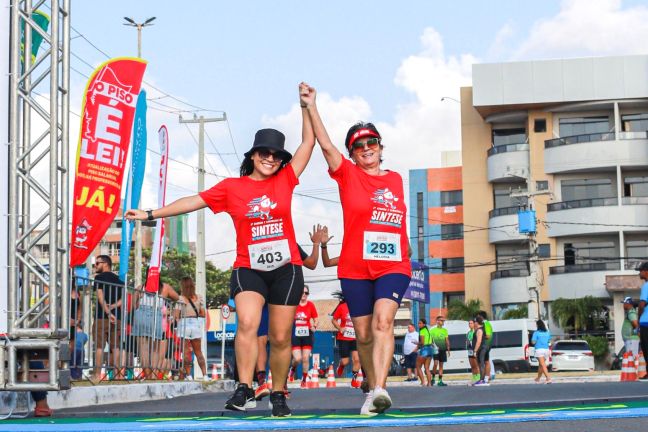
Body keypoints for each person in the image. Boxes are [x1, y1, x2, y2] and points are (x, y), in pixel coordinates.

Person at [126, 83, 316, 418]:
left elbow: (308, 143)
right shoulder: (232, 188)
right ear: (253, 156)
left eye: (275, 155)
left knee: (281, 336)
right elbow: (192, 201)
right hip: (248, 267)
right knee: (246, 322)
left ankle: (278, 392)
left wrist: (305, 106)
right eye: (264, 153)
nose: (270, 159)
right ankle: (243, 387)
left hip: (287, 267)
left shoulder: (286, 180)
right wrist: (150, 214)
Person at [304, 85, 412, 416]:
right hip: (354, 268)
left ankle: (379, 388)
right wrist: (311, 106)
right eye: (359, 145)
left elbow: (398, 226)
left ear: (380, 147)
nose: (366, 148)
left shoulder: (395, 179)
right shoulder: (348, 175)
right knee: (363, 334)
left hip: (393, 266)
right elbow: (325, 146)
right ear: (352, 153)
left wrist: (406, 255)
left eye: (371, 143)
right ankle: (371, 385)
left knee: (383, 321)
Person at [255, 231, 321, 401]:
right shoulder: (255, 239)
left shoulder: (290, 243)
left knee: (281, 340)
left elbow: (312, 264)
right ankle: (261, 381)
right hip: (262, 297)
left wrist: (316, 243)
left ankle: (281, 385)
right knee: (260, 339)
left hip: (282, 299)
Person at [90, 255, 124, 384]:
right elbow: (123, 300)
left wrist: (108, 312)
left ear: (105, 264)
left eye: (97, 263)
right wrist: (114, 307)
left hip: (101, 317)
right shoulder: (119, 280)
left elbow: (100, 297)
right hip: (118, 318)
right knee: (115, 347)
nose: (95, 266)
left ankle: (97, 375)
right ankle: (118, 375)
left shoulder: (99, 278)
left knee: (99, 347)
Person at [176, 276, 208, 381]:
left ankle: (189, 375)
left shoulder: (180, 299)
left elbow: (176, 315)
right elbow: (203, 314)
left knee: (185, 352)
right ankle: (205, 375)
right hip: (195, 323)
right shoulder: (199, 298)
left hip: (184, 323)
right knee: (198, 352)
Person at [289, 285, 319, 388]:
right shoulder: (293, 305)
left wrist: (314, 326)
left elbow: (316, 319)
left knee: (305, 358)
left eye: (306, 293)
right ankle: (292, 369)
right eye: (302, 292)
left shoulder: (310, 305)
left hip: (307, 334)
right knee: (297, 359)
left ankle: (304, 379)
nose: (304, 295)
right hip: (295, 334)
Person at [331, 291, 361, 387]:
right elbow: (333, 320)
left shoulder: (359, 307)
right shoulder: (342, 307)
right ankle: (341, 365)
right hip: (343, 337)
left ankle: (354, 380)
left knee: (357, 360)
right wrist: (340, 328)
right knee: (345, 361)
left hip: (355, 337)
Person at [430, 316, 450, 387]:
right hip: (435, 350)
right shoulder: (432, 330)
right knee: (435, 364)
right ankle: (432, 378)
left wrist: (448, 348)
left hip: (443, 349)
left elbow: (447, 340)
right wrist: (434, 346)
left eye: (443, 321)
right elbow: (430, 340)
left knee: (441, 365)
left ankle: (440, 381)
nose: (443, 322)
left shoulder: (445, 330)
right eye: (441, 320)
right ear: (437, 321)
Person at [531, 319, 552, 384]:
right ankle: (538, 379)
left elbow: (533, 342)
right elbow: (549, 341)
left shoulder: (536, 333)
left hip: (539, 350)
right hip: (546, 350)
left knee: (543, 365)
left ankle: (548, 378)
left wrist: (535, 341)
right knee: (541, 365)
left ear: (538, 325)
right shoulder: (547, 332)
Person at [637, 262, 648, 379]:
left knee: (646, 347)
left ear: (646, 271)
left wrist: (639, 316)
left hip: (646, 322)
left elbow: (642, 304)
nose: (640, 273)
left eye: (640, 271)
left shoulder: (646, 286)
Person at [477, 310, 493, 383]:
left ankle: (486, 377)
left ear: (481, 317)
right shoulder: (485, 323)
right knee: (486, 361)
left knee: (483, 362)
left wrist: (480, 336)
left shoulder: (486, 324)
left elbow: (488, 335)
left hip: (486, 345)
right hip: (486, 345)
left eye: (478, 316)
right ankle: (486, 377)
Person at [416, 319, 433, 386]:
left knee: (418, 366)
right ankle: (429, 383)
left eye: (420, 323)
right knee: (427, 368)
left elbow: (422, 343)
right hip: (430, 349)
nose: (419, 325)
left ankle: (423, 382)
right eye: (418, 323)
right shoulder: (429, 330)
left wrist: (417, 343)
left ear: (424, 324)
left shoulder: (422, 331)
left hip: (424, 349)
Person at [472, 316, 488, 386]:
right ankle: (481, 379)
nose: (474, 323)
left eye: (474, 322)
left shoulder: (479, 330)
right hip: (481, 348)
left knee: (481, 364)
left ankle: (482, 380)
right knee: (480, 364)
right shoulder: (479, 329)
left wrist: (475, 351)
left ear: (477, 322)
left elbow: (478, 341)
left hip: (481, 348)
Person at [466, 319, 479, 384]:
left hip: (475, 350)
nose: (470, 324)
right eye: (469, 323)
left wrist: (476, 350)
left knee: (476, 365)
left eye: (471, 323)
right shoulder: (468, 333)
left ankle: (478, 378)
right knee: (472, 366)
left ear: (474, 324)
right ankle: (474, 378)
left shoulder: (476, 331)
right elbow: (468, 341)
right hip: (469, 350)